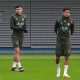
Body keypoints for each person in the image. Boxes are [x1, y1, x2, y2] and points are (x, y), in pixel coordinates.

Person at [54, 8, 74, 78]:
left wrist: (67, 36)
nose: (67, 13)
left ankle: (65, 73)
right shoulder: (58, 20)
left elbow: (72, 31)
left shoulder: (71, 21)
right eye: (66, 12)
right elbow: (55, 29)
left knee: (67, 56)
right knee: (57, 57)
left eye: (68, 12)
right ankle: (58, 69)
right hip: (59, 41)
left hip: (67, 41)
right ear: (63, 13)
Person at [10, 5, 27, 72]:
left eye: (19, 9)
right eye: (17, 9)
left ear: (22, 9)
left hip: (21, 36)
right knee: (17, 50)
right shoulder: (13, 16)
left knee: (17, 52)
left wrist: (25, 29)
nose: (18, 10)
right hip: (15, 35)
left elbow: (24, 25)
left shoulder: (24, 17)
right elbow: (11, 26)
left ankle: (13, 67)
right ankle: (20, 67)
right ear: (15, 10)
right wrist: (20, 28)